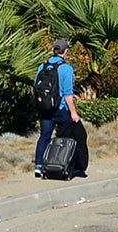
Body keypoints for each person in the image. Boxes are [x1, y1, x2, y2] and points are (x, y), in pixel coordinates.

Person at [33, 38, 80, 177]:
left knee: (44, 137)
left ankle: (39, 165)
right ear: (65, 51)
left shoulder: (43, 66)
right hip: (60, 109)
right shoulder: (66, 68)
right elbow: (68, 94)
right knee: (65, 138)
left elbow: (36, 86)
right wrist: (73, 113)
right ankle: (61, 164)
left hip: (45, 108)